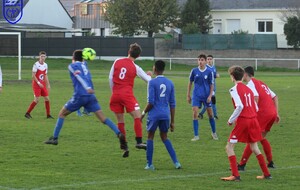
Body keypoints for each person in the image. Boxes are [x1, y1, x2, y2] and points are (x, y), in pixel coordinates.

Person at [44, 49, 127, 157]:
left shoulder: (72, 66)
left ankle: (54, 138)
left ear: (73, 58)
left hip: (80, 95)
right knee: (103, 118)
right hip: (91, 96)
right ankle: (118, 133)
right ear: (83, 58)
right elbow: (84, 65)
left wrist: (87, 87)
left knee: (62, 114)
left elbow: (79, 76)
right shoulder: (85, 65)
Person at [221, 65, 271, 181]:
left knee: (229, 147)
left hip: (244, 120)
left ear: (232, 77)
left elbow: (239, 106)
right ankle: (266, 174)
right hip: (253, 120)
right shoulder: (248, 89)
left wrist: (230, 120)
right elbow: (256, 107)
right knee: (254, 146)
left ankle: (235, 175)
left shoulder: (234, 89)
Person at [109, 43, 152, 157]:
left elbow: (110, 77)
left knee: (120, 120)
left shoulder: (117, 61)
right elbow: (148, 80)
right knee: (137, 116)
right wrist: (150, 75)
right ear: (138, 56)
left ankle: (124, 147)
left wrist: (114, 91)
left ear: (129, 52)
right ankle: (138, 142)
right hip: (126, 94)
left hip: (115, 94)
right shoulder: (136, 67)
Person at [237, 66, 280, 170]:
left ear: (245, 75)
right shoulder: (261, 83)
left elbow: (255, 97)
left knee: (252, 140)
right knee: (261, 138)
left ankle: (242, 165)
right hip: (272, 113)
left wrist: (252, 112)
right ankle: (270, 162)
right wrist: (276, 113)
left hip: (263, 114)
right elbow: (275, 97)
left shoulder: (250, 84)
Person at [141, 60, 181, 170]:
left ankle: (149, 164)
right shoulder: (170, 83)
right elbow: (172, 104)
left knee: (150, 137)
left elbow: (151, 102)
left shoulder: (152, 83)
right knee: (164, 137)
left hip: (154, 115)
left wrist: (143, 113)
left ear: (155, 69)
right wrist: (172, 121)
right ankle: (176, 162)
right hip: (166, 115)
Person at [187, 54, 218, 141]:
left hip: (206, 96)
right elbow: (190, 83)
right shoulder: (194, 71)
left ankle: (214, 132)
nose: (200, 62)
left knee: (210, 114)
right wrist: (188, 95)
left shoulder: (209, 72)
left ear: (205, 61)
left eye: (202, 60)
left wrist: (210, 95)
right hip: (196, 95)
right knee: (195, 113)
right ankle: (196, 135)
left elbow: (212, 84)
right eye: (199, 60)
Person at [24, 51, 53, 119]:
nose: (43, 58)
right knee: (36, 100)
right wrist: (39, 83)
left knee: (47, 98)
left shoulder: (46, 65)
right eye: (41, 56)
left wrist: (48, 84)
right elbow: (33, 75)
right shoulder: (36, 65)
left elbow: (45, 75)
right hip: (36, 85)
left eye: (44, 56)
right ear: (39, 57)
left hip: (42, 84)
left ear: (45, 57)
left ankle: (48, 115)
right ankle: (27, 113)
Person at [198, 55, 220, 120]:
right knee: (212, 102)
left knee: (209, 102)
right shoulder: (205, 68)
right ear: (206, 60)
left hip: (213, 87)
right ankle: (215, 115)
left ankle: (201, 114)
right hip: (208, 88)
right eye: (208, 59)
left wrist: (216, 75)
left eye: (210, 59)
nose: (209, 60)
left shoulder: (213, 67)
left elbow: (214, 75)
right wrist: (215, 75)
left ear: (212, 60)